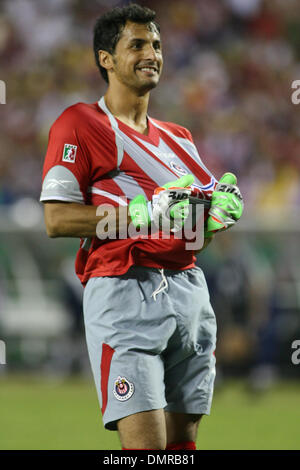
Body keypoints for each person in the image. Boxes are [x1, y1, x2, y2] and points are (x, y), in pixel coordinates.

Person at [40, 4, 243, 450]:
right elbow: (56, 220)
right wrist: (141, 213)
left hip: (189, 290)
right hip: (123, 291)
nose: (152, 53)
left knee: (182, 445)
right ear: (105, 59)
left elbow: (193, 236)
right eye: (137, 44)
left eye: (156, 44)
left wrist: (215, 218)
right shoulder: (80, 123)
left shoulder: (180, 139)